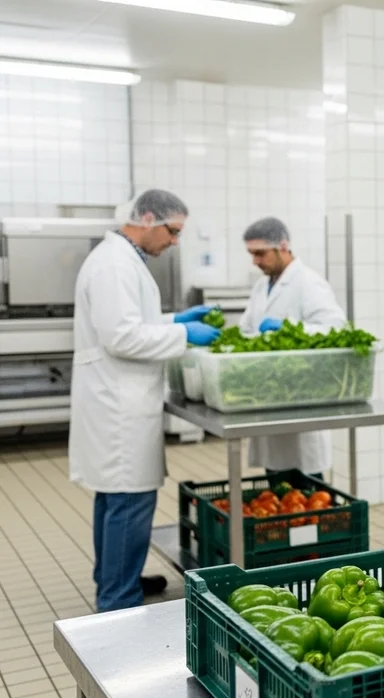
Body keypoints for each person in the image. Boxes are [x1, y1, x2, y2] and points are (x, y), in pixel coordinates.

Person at [69, 189, 222, 612]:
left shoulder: (121, 259)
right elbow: (121, 337)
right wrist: (183, 335)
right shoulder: (115, 263)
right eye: (172, 231)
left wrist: (175, 320)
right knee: (129, 502)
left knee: (114, 498)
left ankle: (114, 578)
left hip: (119, 399)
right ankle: (118, 599)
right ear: (149, 218)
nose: (174, 241)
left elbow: (132, 321)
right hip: (119, 406)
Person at [239, 216, 347, 474]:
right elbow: (247, 329)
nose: (255, 261)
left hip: (301, 392)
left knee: (306, 482)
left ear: (283, 246)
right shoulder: (261, 285)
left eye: (260, 253)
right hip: (269, 393)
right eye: (251, 254)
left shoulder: (308, 282)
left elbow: (335, 328)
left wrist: (289, 329)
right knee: (275, 476)